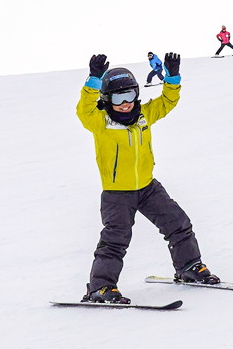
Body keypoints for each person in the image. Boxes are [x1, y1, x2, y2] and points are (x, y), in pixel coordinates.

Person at [76, 54, 219, 303]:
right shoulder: (100, 122)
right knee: (115, 241)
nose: (125, 104)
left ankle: (189, 267)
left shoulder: (144, 116)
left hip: (148, 187)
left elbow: (167, 102)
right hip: (117, 193)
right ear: (107, 99)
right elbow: (83, 109)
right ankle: (101, 287)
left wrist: (172, 77)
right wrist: (94, 80)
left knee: (178, 223)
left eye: (130, 96)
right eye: (119, 98)